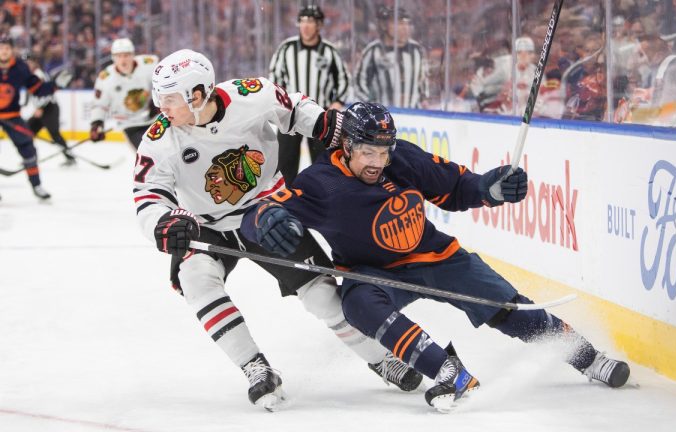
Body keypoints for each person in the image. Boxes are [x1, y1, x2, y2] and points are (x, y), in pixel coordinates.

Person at [240, 102, 631, 412]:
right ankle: (447, 370)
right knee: (356, 302)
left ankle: (588, 357)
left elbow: (459, 187)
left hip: (437, 257)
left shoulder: (403, 159)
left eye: (382, 151)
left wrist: (491, 188)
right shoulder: (320, 182)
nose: (376, 161)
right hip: (374, 272)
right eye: (366, 151)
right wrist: (265, 219)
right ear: (346, 147)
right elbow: (261, 213)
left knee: (509, 310)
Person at [133, 49, 420, 411]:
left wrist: (322, 123)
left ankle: (382, 358)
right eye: (160, 99)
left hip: (265, 212)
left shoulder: (249, 95)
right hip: (206, 225)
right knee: (196, 278)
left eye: (169, 99)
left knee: (321, 295)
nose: (162, 108)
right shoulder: (160, 137)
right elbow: (147, 192)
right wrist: (162, 222)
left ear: (196, 94)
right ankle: (255, 367)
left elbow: (295, 108)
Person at [268, 4, 350, 187]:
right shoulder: (286, 49)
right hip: (289, 116)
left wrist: (337, 103)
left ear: (319, 25)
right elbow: (274, 79)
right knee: (285, 166)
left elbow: (343, 80)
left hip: (322, 118)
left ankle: (323, 202)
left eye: (310, 21)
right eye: (302, 21)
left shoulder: (330, 51)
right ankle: (285, 205)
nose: (305, 26)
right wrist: (281, 105)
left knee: (325, 166)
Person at [0, 36, 56, 200]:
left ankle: (37, 185)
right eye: (1, 48)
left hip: (12, 116)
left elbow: (36, 88)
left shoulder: (20, 68)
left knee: (29, 150)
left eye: (7, 48)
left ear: (11, 50)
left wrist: (55, 85)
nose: (4, 51)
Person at [90, 38, 158, 149]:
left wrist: (158, 102)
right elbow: (99, 104)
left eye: (126, 55)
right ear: (113, 58)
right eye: (119, 56)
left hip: (155, 119)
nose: (123, 60)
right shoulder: (105, 77)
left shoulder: (149, 64)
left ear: (133, 55)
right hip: (130, 124)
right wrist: (96, 123)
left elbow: (165, 83)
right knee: (147, 152)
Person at [355, 6, 428, 108]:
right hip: (383, 117)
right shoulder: (373, 51)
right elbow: (359, 82)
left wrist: (424, 99)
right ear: (384, 25)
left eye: (407, 23)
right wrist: (371, 106)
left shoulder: (417, 50)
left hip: (414, 115)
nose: (405, 28)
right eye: (399, 23)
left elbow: (422, 80)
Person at [24, 54, 76, 166]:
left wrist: (40, 108)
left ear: (34, 62)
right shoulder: (29, 75)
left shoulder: (39, 75)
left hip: (50, 108)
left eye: (29, 62)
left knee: (54, 134)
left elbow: (48, 92)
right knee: (27, 132)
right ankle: (30, 158)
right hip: (42, 109)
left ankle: (70, 157)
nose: (27, 65)